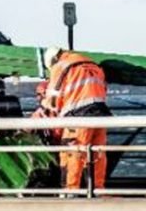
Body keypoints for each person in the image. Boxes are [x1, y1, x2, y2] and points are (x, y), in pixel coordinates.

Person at [39, 47, 109, 191]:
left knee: (72, 153)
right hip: (100, 115)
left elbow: (53, 99)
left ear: (52, 61)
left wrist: (45, 110)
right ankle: (98, 190)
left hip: (78, 117)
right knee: (97, 154)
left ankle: (70, 192)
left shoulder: (61, 66)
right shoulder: (92, 64)